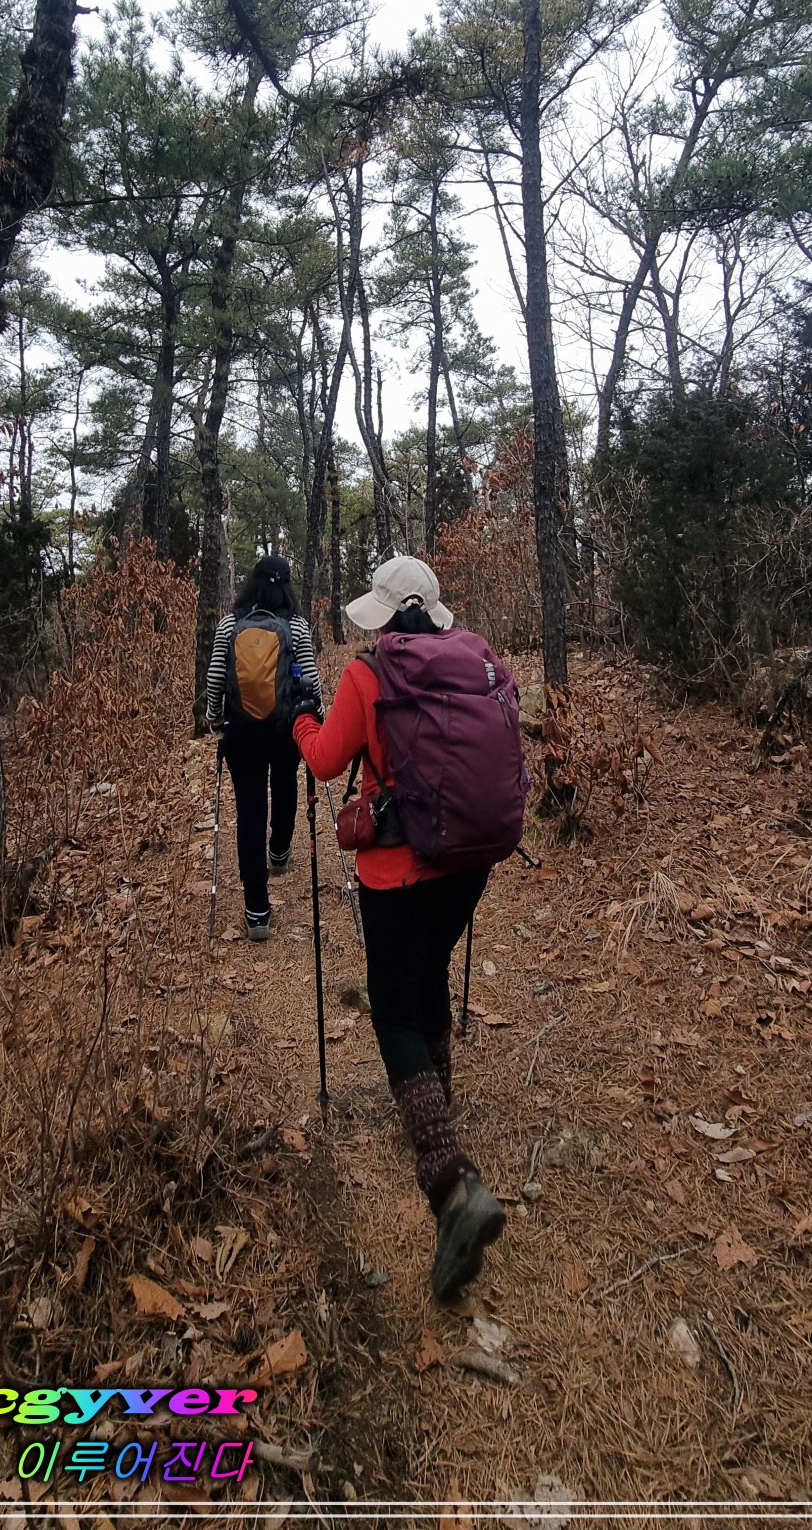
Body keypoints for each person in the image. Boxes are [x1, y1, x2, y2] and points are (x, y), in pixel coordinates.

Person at [291, 555, 505, 1304]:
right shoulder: (474, 661)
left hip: (399, 871)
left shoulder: (367, 674)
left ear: (383, 615)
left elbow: (325, 761)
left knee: (392, 1009)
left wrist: (302, 716)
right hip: (469, 862)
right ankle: (435, 1109)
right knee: (429, 974)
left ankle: (449, 1183)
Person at [206, 555, 323, 943]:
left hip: (241, 731)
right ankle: (280, 850)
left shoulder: (230, 623)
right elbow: (310, 683)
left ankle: (257, 910)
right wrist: (317, 717)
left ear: (252, 583)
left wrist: (215, 719)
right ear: (287, 587)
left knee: (250, 811)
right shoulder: (296, 626)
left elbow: (215, 679)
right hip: (285, 728)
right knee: (285, 783)